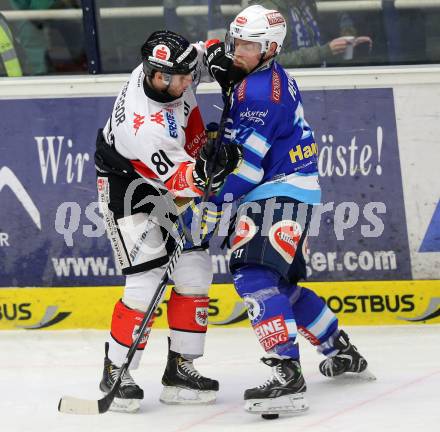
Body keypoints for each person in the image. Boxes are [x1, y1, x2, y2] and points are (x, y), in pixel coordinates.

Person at [204, 5, 374, 416]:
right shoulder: (263, 77)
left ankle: (286, 374)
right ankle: (340, 350)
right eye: (236, 41)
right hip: (292, 190)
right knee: (282, 286)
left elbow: (247, 167)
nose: (237, 51)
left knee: (254, 276)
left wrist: (211, 205)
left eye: (247, 45)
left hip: (276, 193)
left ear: (270, 48)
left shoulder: (259, 92)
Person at [94, 30, 242, 412]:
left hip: (170, 171)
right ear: (150, 73)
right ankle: (115, 369)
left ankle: (181, 370)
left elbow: (210, 48)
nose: (178, 84)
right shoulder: (145, 126)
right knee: (146, 277)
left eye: (181, 76)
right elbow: (181, 182)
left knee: (195, 269)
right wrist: (211, 169)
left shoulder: (178, 65)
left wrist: (226, 61)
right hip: (129, 188)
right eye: (165, 78)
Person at [248, 0, 372, 67]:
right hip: (288, 91)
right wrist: (324, 51)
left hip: (318, 81)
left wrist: (341, 47)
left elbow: (315, 46)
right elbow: (266, 62)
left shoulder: (306, 4)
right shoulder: (265, 9)